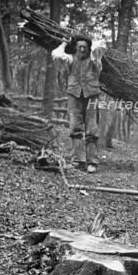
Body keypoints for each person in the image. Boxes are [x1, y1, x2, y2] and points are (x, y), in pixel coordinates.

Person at [52, 34, 106, 173]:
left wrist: (91, 43)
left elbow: (100, 46)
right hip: (74, 96)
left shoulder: (95, 61)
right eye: (79, 47)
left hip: (92, 96)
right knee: (75, 128)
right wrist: (64, 44)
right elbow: (57, 55)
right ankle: (78, 161)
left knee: (92, 129)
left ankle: (92, 162)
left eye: (85, 47)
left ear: (89, 49)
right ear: (75, 48)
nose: (82, 50)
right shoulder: (70, 59)